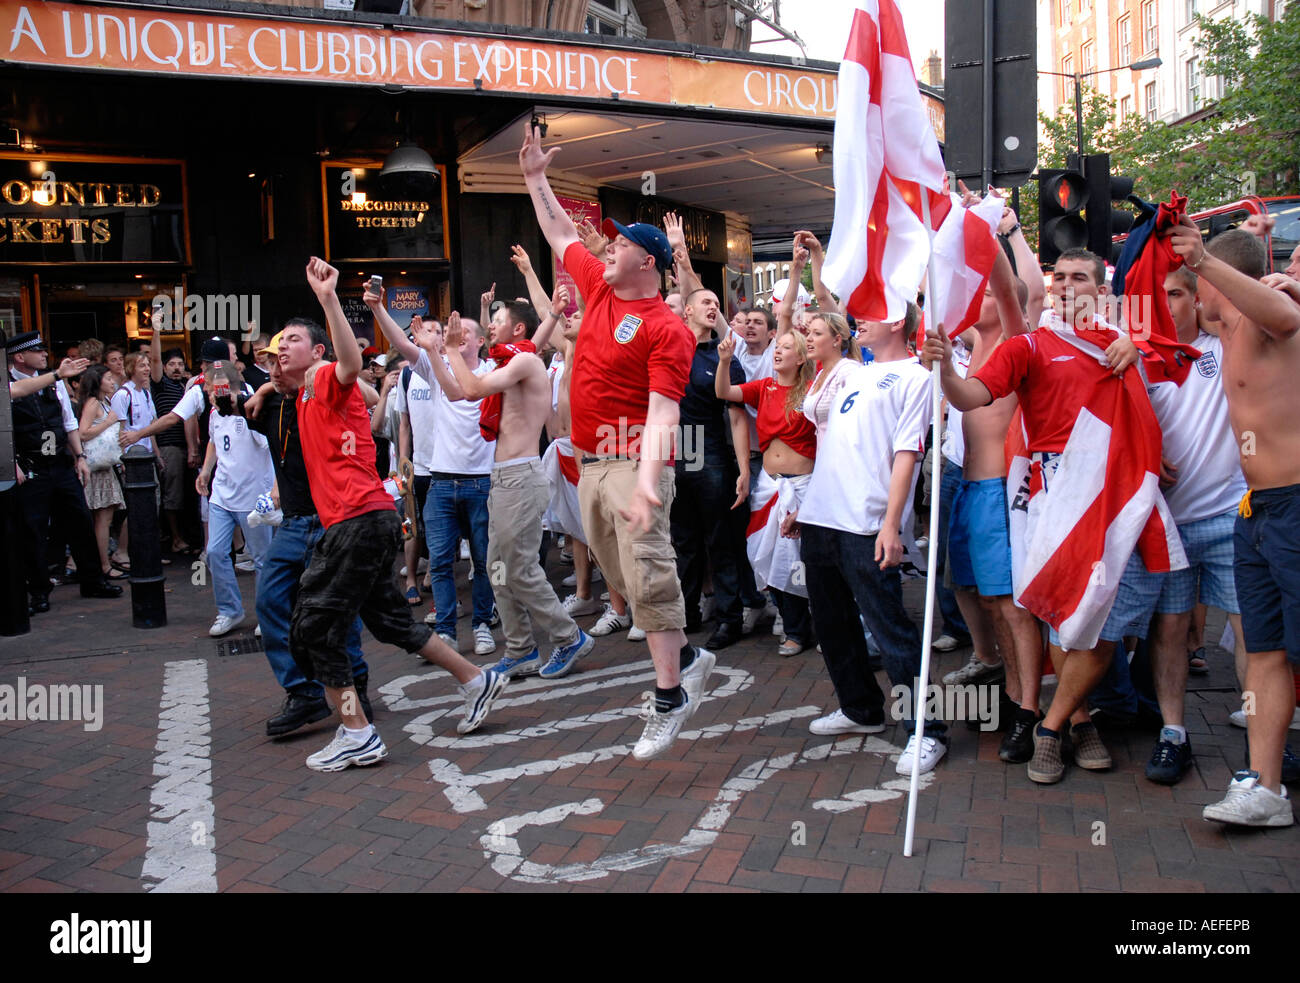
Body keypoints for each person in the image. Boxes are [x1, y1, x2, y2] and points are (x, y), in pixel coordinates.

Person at [520, 120, 714, 760]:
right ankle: (687, 658)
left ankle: (668, 698)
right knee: (623, 577)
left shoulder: (667, 328)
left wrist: (651, 484)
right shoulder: (601, 284)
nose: (608, 247)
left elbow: (663, 416)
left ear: (647, 261)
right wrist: (535, 179)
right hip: (591, 462)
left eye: (622, 243)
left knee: (650, 570)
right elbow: (560, 231)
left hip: (634, 457)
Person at [927, 248, 1152, 786]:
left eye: (1082, 278)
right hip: (1053, 497)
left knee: (1102, 624)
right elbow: (970, 396)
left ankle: (1051, 725)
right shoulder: (1027, 346)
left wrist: (1137, 344)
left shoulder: (1122, 344)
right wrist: (941, 368)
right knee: (1057, 610)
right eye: (1063, 279)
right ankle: (1069, 725)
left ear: (1102, 290)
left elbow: (1177, 350)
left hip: (1119, 497)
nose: (1069, 285)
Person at [283, 257, 507, 771]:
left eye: (291, 341)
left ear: (314, 350)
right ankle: (477, 679)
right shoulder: (300, 394)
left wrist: (329, 299)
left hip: (358, 522)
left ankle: (356, 732)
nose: (280, 350)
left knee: (316, 629)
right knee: (388, 622)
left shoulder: (324, 377)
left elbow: (346, 360)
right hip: (364, 522)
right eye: (278, 346)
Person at [1161, 223, 1300, 826]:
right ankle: (1265, 790)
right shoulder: (1223, 327)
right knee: (1264, 652)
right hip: (1256, 510)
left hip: (1295, 504)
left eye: (1195, 281)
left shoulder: (1276, 312)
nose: (1192, 293)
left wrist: (1208, 258)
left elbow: (1283, 315)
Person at [789, 302, 949, 775]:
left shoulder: (916, 377)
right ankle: (860, 709)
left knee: (891, 630)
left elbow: (907, 454)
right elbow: (835, 445)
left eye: (872, 313)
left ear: (899, 322)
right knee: (833, 625)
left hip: (865, 522)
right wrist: (808, 503)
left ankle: (927, 730)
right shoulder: (854, 371)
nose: (859, 321)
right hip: (822, 517)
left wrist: (891, 523)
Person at [439, 293, 593, 680]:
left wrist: (452, 349)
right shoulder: (514, 358)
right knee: (497, 568)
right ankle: (521, 648)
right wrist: (437, 350)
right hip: (504, 480)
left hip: (520, 479)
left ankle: (568, 635)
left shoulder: (523, 362)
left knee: (519, 568)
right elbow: (458, 390)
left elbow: (472, 390)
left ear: (517, 328)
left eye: (498, 318)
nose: (490, 324)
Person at [930, 242, 1042, 764]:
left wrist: (986, 234)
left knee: (1011, 605)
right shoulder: (975, 341)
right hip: (970, 488)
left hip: (1001, 491)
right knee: (981, 596)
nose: (975, 297)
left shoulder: (1018, 341)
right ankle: (1005, 681)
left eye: (986, 292)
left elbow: (1015, 286)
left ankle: (1028, 710)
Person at [244, 328, 375, 738]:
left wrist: (276, 384)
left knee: (339, 610)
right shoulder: (267, 408)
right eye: (270, 360)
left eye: (282, 355)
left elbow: (367, 394)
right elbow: (223, 397)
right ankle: (304, 693)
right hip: (293, 524)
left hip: (331, 518)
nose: (276, 363)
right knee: (270, 602)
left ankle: (356, 687)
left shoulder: (321, 392)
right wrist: (264, 389)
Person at [371, 300, 500, 657]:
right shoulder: (435, 366)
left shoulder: (491, 369)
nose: (457, 336)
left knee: (483, 560)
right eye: (453, 332)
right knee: (441, 560)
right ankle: (445, 629)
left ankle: (482, 624)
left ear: (477, 343)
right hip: (442, 482)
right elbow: (403, 345)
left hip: (481, 482)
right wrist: (379, 308)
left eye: (465, 333)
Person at [716, 329, 817, 656]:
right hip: (769, 487)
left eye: (786, 348)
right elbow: (724, 391)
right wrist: (724, 361)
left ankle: (810, 627)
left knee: (804, 562)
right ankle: (792, 625)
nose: (778, 352)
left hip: (803, 486)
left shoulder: (813, 391)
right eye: (778, 346)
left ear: (800, 358)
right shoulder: (765, 388)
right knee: (771, 559)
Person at [5, 332, 121, 612]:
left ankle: (93, 580)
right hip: (30, 466)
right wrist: (13, 463)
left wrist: (79, 456)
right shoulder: (9, 384)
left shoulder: (54, 385)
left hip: (59, 462)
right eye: (37, 351)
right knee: (33, 530)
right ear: (20, 356)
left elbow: (68, 423)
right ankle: (39, 590)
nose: (44, 354)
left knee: (80, 521)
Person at [672, 286, 753, 650]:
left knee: (721, 540)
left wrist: (743, 470)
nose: (713, 307)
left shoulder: (725, 355)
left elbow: (737, 419)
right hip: (674, 450)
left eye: (717, 304)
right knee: (683, 541)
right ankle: (686, 614)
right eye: (706, 302)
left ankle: (729, 618)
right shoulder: (667, 351)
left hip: (709, 447)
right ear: (686, 311)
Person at [195, 362, 274, 638]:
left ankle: (267, 614)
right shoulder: (215, 414)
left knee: (262, 559)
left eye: (210, 387)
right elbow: (214, 442)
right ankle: (229, 610)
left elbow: (269, 445)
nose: (206, 392)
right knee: (216, 552)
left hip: (253, 498)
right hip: (221, 495)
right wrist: (206, 471)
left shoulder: (251, 409)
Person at [75, 364, 128, 583]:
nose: (112, 381)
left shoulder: (105, 401)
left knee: (104, 518)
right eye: (107, 378)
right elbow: (83, 433)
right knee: (102, 519)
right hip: (97, 469)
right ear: (98, 381)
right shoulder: (93, 403)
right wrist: (107, 422)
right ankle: (103, 565)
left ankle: (101, 563)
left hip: (106, 467)